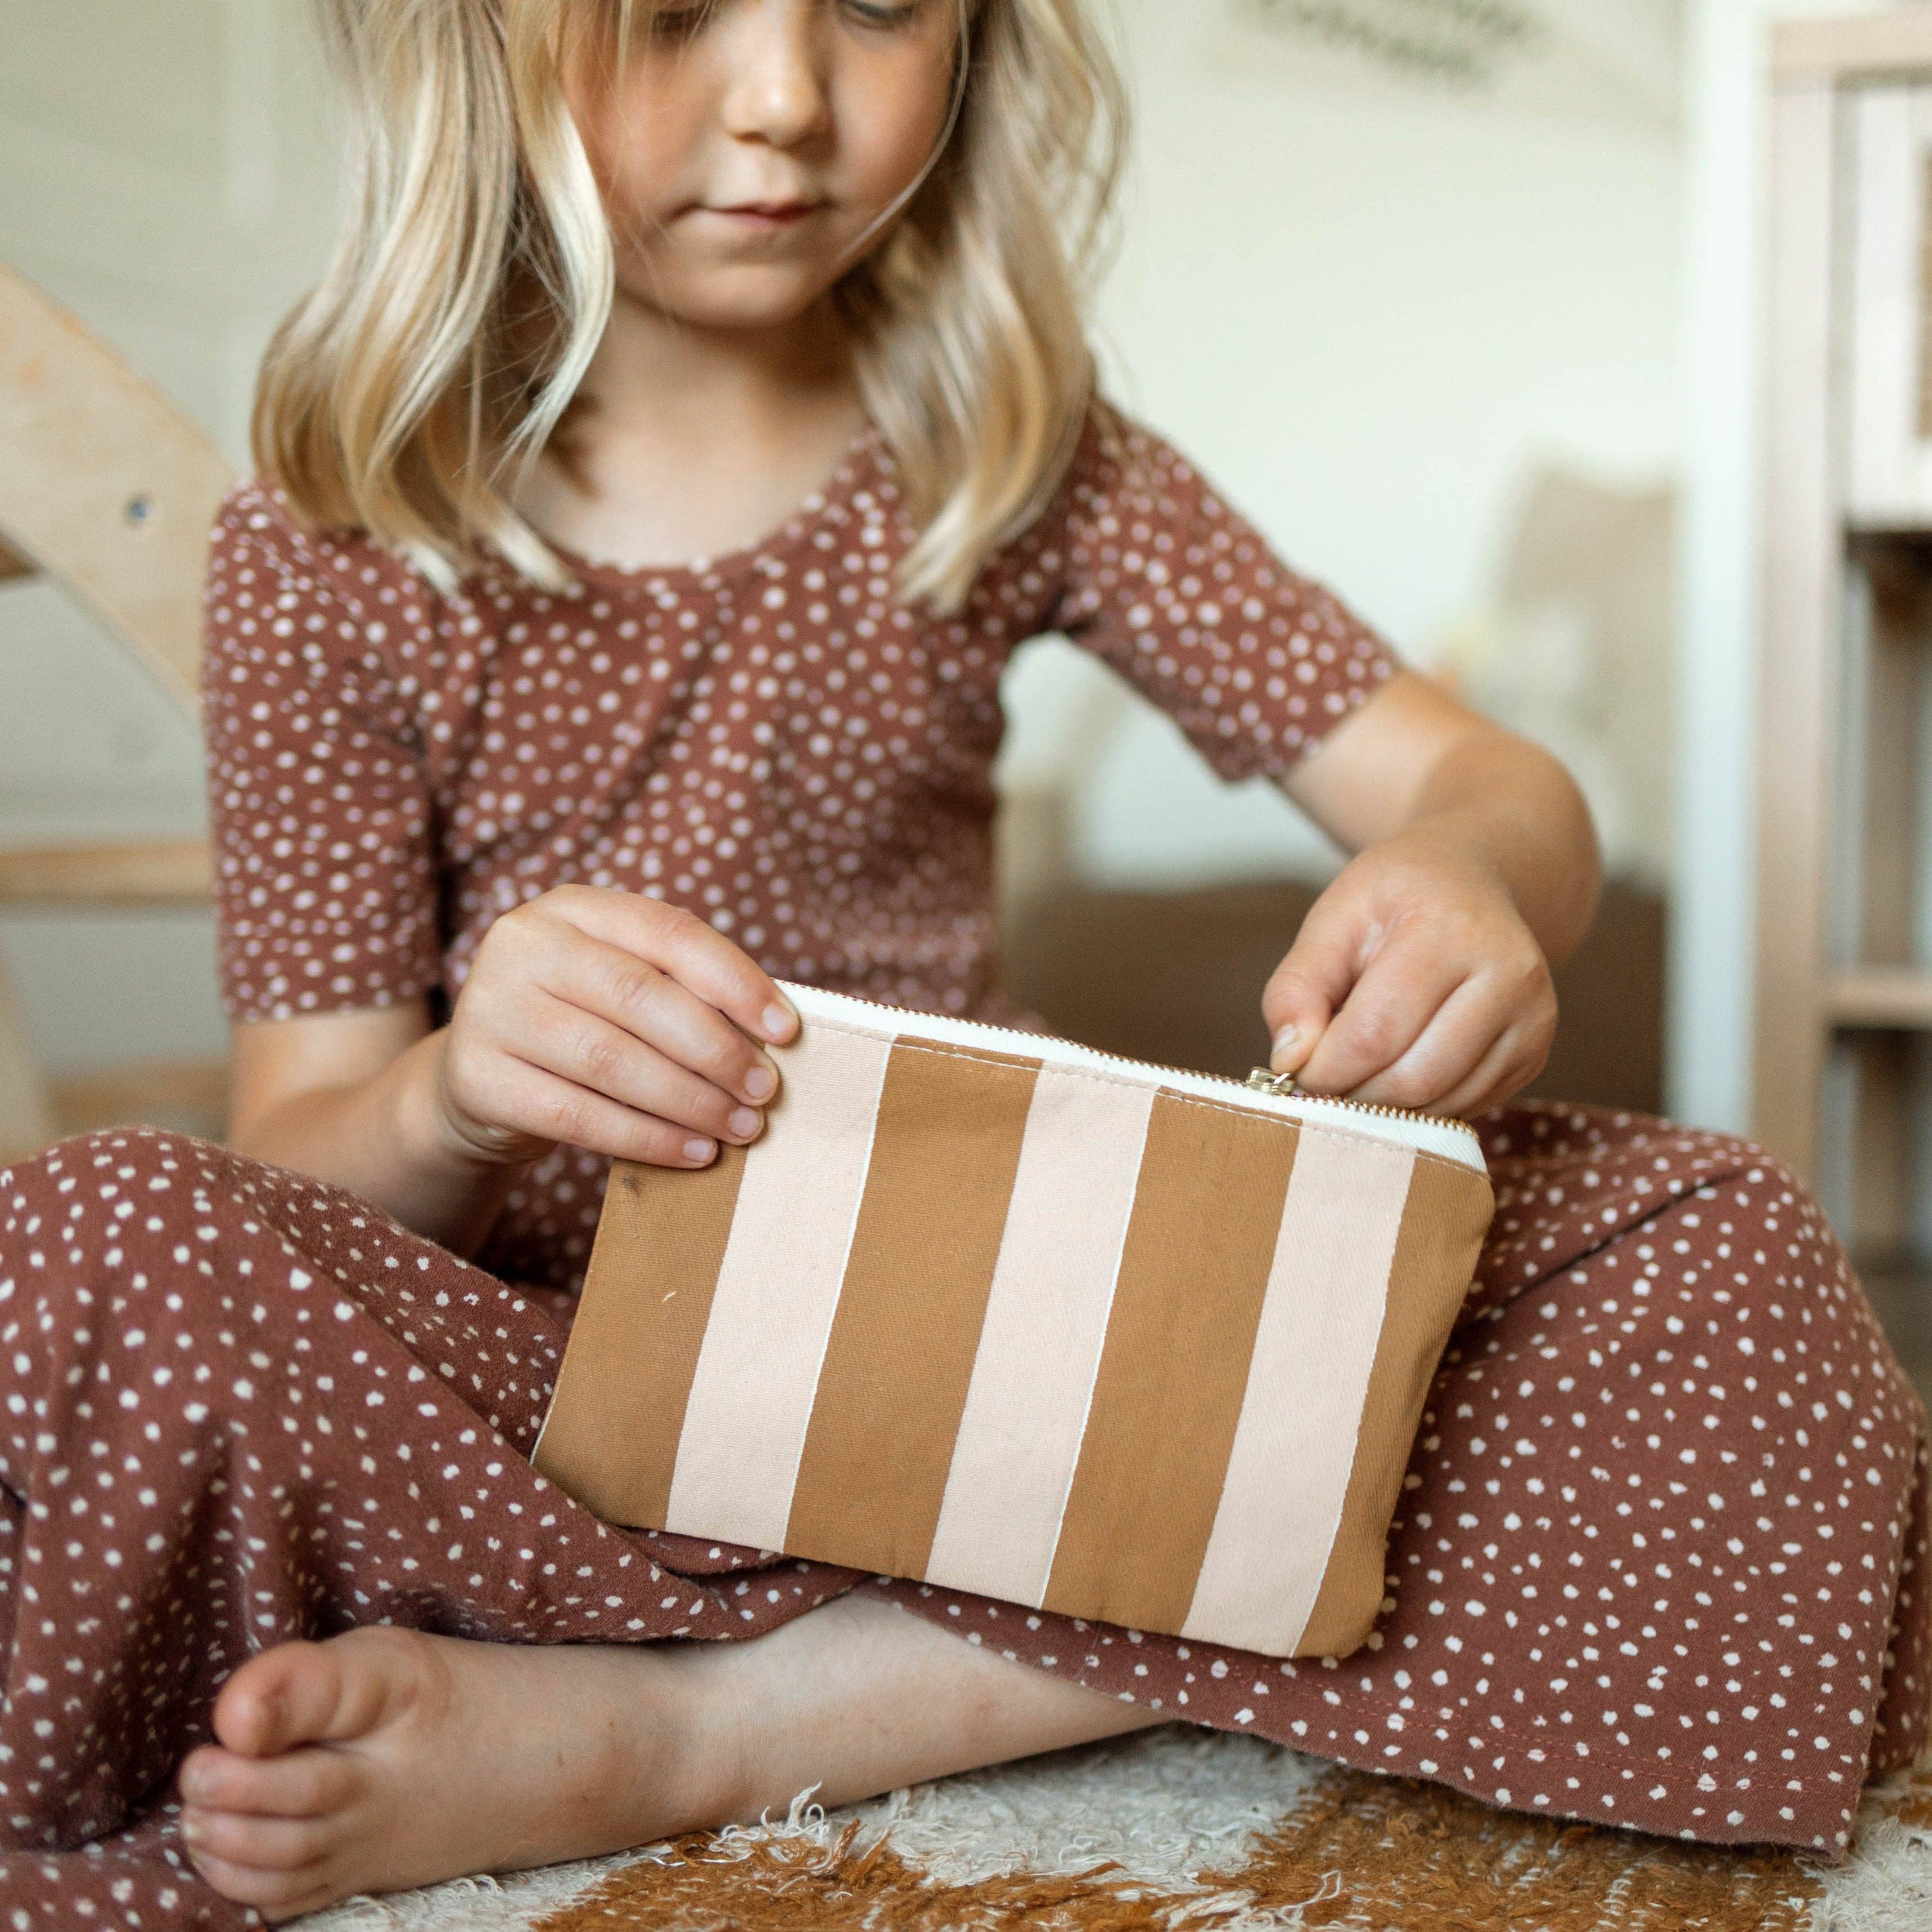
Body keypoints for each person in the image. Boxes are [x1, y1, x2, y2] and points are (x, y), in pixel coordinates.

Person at [1, 1, 1924, 1924]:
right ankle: (1025, 1657)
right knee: (87, 1237)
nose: (782, 102)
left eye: (881, 7)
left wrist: (1471, 868)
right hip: (547, 1408)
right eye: (672, 13)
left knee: (1718, 1243)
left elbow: (1489, 778)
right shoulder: (332, 544)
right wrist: (450, 1095)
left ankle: (711, 1733)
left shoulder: (1012, 457)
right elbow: (288, 1168)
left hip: (1015, 1391)